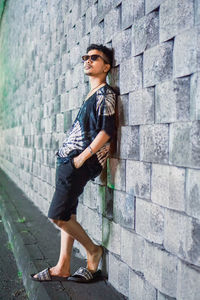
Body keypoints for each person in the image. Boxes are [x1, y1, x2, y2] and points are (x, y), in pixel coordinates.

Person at [31, 44, 117, 283]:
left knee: (58, 216)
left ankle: (93, 251)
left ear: (106, 66)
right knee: (68, 214)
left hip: (79, 162)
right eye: (85, 57)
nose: (87, 61)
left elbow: (106, 131)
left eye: (94, 58)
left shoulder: (105, 93)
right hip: (69, 161)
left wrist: (82, 157)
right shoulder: (92, 94)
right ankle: (63, 265)